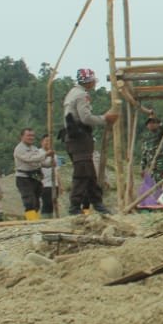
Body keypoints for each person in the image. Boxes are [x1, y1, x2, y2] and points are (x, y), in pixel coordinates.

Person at [62, 67, 119, 215]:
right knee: (82, 173)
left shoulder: (73, 93)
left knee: (89, 173)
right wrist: (104, 119)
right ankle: (75, 206)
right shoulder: (81, 95)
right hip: (79, 137)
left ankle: (97, 203)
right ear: (89, 81)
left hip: (75, 137)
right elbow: (85, 117)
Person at [13, 128, 54, 221]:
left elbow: (39, 162)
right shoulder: (19, 149)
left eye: (32, 136)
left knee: (36, 200)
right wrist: (46, 154)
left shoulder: (34, 148)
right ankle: (31, 220)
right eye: (28, 135)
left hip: (35, 176)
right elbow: (30, 159)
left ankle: (34, 218)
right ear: (22, 137)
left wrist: (50, 163)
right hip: (23, 177)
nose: (31, 138)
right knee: (29, 199)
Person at [138, 112, 163, 181]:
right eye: (149, 123)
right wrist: (142, 168)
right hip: (152, 166)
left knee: (161, 183)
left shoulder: (160, 134)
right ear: (147, 126)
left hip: (161, 165)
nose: (151, 125)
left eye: (153, 123)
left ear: (157, 124)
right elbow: (144, 155)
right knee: (152, 184)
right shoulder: (146, 138)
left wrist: (154, 118)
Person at [39, 135, 59, 218]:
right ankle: (45, 219)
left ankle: (51, 219)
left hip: (54, 184)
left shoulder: (54, 155)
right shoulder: (38, 153)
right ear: (42, 142)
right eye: (46, 141)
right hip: (44, 183)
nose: (48, 143)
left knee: (52, 203)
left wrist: (60, 184)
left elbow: (56, 170)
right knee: (46, 203)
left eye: (50, 141)